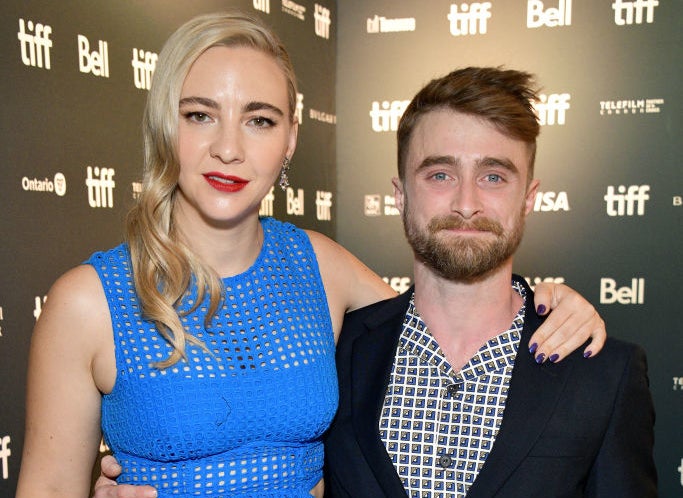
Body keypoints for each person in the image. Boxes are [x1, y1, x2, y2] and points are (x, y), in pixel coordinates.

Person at [16, 11, 606, 498]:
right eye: (199, 115)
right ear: (163, 126)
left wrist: (547, 302)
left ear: (290, 139)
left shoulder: (318, 264)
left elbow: (448, 320)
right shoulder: (87, 302)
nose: (228, 148)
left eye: (259, 120)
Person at [323, 67, 657, 497]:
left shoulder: (604, 373)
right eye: (440, 174)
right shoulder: (335, 351)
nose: (467, 203)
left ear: (529, 198)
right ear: (401, 195)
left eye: (493, 177)